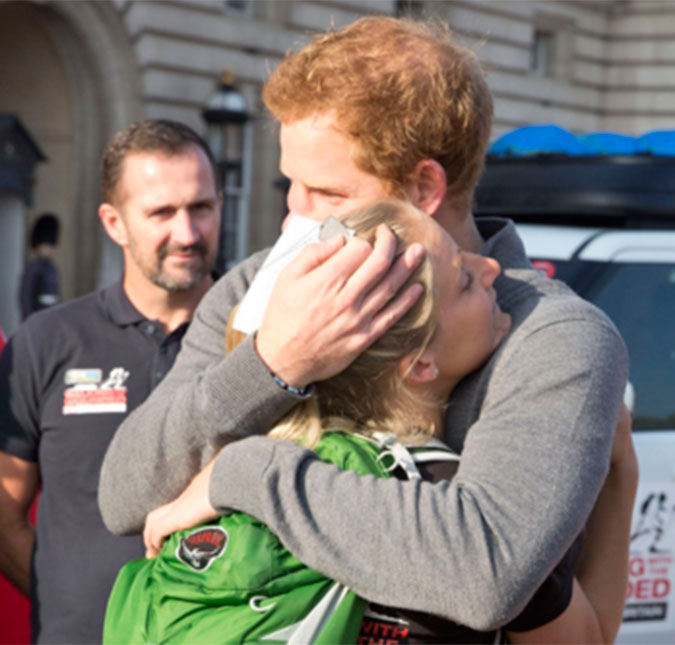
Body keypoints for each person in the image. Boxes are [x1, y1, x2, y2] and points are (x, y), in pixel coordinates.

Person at [99, 17, 628, 630]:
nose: (293, 214)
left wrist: (242, 472)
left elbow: (486, 573)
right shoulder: (255, 287)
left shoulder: (550, 334)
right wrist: (271, 365)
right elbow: (124, 496)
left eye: (326, 192)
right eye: (289, 183)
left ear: (423, 187)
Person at [104, 200, 637, 645]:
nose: (492, 268)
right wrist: (621, 471)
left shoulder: (212, 481)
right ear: (421, 363)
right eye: (465, 283)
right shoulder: (445, 501)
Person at [0, 119, 221, 644]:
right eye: (162, 213)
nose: (187, 234)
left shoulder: (268, 339)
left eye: (202, 208)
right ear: (114, 222)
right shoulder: (47, 341)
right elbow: (4, 510)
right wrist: (70, 599)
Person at [19, 212, 61, 321]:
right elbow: (26, 297)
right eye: (47, 246)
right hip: (37, 316)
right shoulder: (33, 267)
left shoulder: (52, 268)